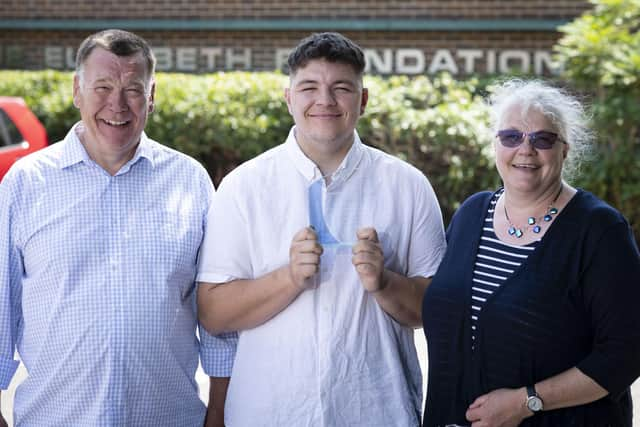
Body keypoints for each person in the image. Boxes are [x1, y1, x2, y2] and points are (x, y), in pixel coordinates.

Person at [196, 32, 447, 426]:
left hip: (377, 411)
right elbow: (212, 312)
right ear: (289, 98)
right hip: (268, 413)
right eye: (309, 87)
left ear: (362, 100)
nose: (325, 101)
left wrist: (384, 283)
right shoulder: (244, 186)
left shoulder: (408, 186)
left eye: (341, 88)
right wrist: (289, 278)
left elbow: (436, 311)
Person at [0, 29, 228, 427]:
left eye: (133, 89)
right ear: (77, 91)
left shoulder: (190, 180)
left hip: (168, 418)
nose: (117, 104)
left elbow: (215, 309)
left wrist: (220, 413)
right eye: (102, 87)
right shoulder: (25, 182)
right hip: (53, 419)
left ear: (152, 96)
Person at [421, 79, 640, 426]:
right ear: (495, 145)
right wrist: (380, 281)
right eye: (511, 137)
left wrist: (527, 402)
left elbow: (625, 353)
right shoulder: (471, 213)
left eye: (543, 139)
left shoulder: (599, 230)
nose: (526, 150)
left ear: (564, 149)